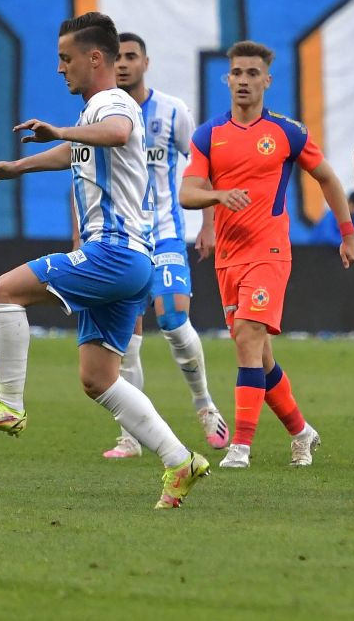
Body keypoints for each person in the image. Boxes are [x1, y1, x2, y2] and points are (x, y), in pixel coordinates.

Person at [0, 12, 208, 510]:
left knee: (4, 291)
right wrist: (17, 166)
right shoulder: (95, 113)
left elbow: (115, 133)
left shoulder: (112, 102)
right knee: (98, 378)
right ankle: (180, 460)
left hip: (111, 252)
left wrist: (57, 130)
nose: (60, 68)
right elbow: (76, 151)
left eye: (65, 58)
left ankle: (8, 402)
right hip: (134, 261)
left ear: (94, 58)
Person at [179, 40, 354, 469]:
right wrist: (218, 196)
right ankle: (301, 432)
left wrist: (348, 233)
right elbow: (187, 193)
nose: (243, 80)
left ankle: (241, 447)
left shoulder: (287, 132)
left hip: (270, 251)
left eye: (252, 73)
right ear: (227, 79)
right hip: (228, 258)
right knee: (259, 355)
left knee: (247, 336)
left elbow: (327, 178)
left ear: (267, 81)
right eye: (237, 73)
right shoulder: (208, 135)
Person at [91, 31, 229, 459]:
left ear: (145, 63)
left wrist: (207, 223)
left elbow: (203, 167)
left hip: (165, 230)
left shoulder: (173, 111)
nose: (124, 64)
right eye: (118, 58)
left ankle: (204, 404)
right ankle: (130, 436)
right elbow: (85, 174)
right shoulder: (100, 113)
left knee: (171, 318)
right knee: (126, 339)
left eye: (131, 56)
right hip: (121, 237)